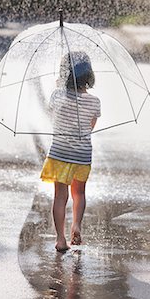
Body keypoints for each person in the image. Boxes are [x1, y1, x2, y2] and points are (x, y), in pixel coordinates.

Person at [40, 51, 101, 252]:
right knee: (79, 193)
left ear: (64, 73)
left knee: (60, 196)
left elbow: (52, 116)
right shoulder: (94, 101)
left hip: (60, 153)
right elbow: (89, 127)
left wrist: (59, 88)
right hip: (82, 155)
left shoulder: (57, 95)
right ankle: (77, 225)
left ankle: (60, 239)